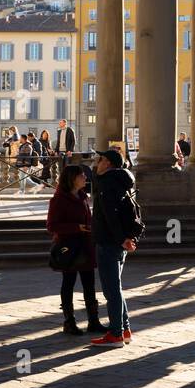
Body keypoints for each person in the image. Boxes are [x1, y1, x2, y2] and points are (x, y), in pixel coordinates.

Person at [89, 148, 141, 348]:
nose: (97, 162)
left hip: (109, 242)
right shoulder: (122, 181)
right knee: (116, 288)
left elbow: (111, 215)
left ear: (108, 163)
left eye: (100, 159)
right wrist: (125, 239)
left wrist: (121, 239)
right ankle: (124, 328)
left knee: (111, 290)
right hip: (118, 241)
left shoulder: (107, 184)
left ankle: (116, 333)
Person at [46, 164, 103, 335]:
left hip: (86, 246)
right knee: (68, 283)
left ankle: (93, 321)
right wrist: (77, 227)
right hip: (69, 247)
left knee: (89, 284)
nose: (85, 178)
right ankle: (69, 321)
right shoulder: (58, 200)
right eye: (82, 176)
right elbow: (52, 226)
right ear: (72, 179)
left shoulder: (83, 196)